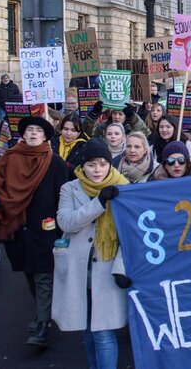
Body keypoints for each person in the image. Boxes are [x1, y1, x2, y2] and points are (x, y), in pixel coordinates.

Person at [0, 116, 68, 347]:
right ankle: (43, 310)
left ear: (45, 137)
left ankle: (42, 324)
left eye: (38, 130)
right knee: (29, 273)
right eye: (29, 130)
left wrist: (61, 229)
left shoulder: (54, 162)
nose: (33, 133)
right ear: (23, 135)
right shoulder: (8, 160)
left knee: (43, 275)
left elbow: (61, 196)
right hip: (17, 226)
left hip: (45, 229)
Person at [54, 139, 130, 368]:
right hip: (79, 270)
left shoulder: (124, 187)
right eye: (91, 164)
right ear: (82, 166)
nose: (97, 170)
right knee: (86, 330)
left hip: (106, 269)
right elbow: (66, 222)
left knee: (103, 333)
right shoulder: (70, 188)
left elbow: (129, 236)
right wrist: (99, 202)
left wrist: (121, 267)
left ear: (109, 164)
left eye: (102, 163)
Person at [84, 102, 150, 138]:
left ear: (126, 116)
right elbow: (88, 134)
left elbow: (145, 133)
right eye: (114, 113)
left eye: (120, 114)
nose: (116, 117)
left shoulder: (131, 129)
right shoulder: (103, 128)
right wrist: (93, 115)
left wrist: (132, 117)